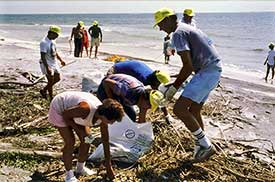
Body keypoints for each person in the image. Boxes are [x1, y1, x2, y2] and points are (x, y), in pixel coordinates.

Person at [154, 8, 222, 162]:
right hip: (214, 69)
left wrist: (173, 88)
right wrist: (178, 82)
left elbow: (187, 66)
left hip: (206, 71)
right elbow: (191, 65)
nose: (160, 28)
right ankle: (200, 148)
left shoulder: (178, 33)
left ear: (168, 19)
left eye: (160, 24)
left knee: (179, 109)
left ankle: (206, 145)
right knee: (194, 109)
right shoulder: (188, 28)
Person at [48, 91, 124, 181]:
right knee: (70, 142)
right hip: (60, 107)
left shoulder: (102, 118)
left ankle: (80, 168)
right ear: (103, 115)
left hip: (75, 113)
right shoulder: (86, 109)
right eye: (111, 120)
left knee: (88, 140)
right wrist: (79, 131)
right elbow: (65, 115)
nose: (112, 123)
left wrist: (108, 165)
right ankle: (69, 175)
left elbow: (105, 140)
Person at [106, 60, 172, 122]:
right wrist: (113, 101)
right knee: (117, 109)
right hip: (114, 72)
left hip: (123, 77)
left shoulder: (152, 76)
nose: (158, 87)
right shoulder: (141, 80)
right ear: (156, 81)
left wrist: (167, 115)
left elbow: (155, 97)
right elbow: (108, 82)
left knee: (129, 106)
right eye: (159, 84)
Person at [97, 74, 164, 123]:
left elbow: (142, 119)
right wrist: (112, 100)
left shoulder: (143, 102)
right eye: (149, 105)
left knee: (131, 116)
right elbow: (106, 82)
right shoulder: (129, 91)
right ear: (145, 98)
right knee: (112, 113)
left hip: (120, 96)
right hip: (105, 89)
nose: (148, 108)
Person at [39, 25, 66, 101]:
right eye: (56, 35)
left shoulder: (53, 41)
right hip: (46, 63)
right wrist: (47, 67)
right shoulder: (44, 43)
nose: (57, 37)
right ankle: (51, 97)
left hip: (54, 62)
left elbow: (55, 52)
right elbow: (43, 56)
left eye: (57, 35)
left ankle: (44, 90)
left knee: (57, 78)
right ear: (50, 33)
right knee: (50, 80)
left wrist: (61, 60)